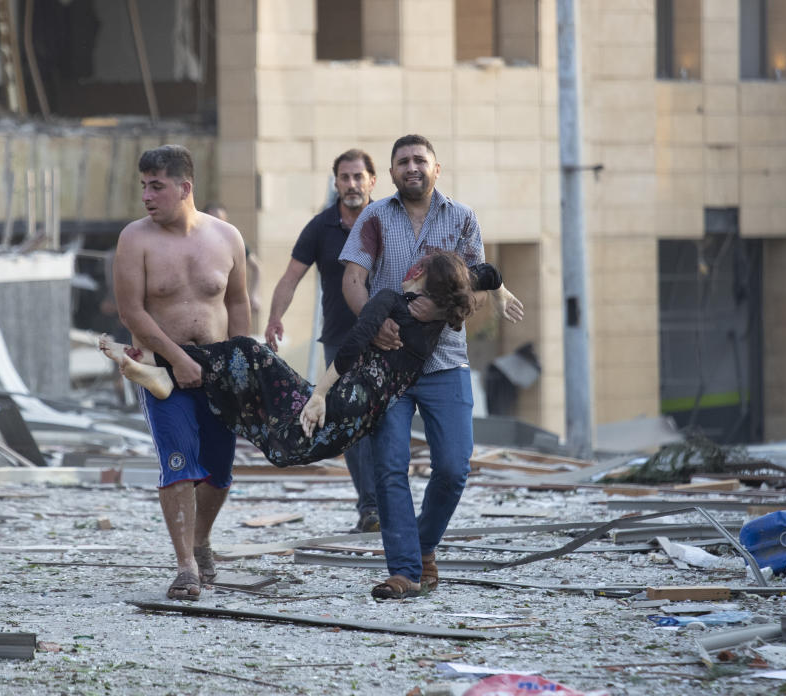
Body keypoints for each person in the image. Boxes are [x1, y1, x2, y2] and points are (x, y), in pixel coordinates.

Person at [100, 251, 518, 470]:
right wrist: (499, 293)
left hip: (344, 397)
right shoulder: (444, 310)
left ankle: (162, 368)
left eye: (418, 267)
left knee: (248, 355)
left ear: (424, 276)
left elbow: (353, 344)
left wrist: (318, 395)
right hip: (363, 414)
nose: (409, 269)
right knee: (252, 371)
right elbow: (490, 272)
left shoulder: (392, 300)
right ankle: (162, 371)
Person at [339, 134, 524, 600]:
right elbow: (353, 279)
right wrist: (374, 323)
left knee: (453, 467)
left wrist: (440, 312)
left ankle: (422, 545)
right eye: (402, 161)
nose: (412, 167)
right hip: (390, 365)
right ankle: (403, 571)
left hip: (446, 362)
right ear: (393, 171)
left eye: (420, 160)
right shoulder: (375, 216)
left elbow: (478, 286)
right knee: (390, 468)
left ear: (436, 168)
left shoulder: (462, 219)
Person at [113, 145, 251, 602]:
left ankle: (201, 538)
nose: (147, 196)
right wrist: (178, 358)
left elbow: (236, 303)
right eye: (144, 187)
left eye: (157, 186)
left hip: (217, 369)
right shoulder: (136, 238)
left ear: (184, 187)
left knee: (220, 470)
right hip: (162, 372)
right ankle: (186, 567)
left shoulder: (227, 236)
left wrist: (242, 364)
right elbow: (131, 310)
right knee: (178, 463)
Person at [264, 149, 380, 532]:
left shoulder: (388, 220)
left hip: (388, 338)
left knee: (385, 422)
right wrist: (274, 317)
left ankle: (389, 501)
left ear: (372, 181)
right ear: (336, 183)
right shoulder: (320, 227)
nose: (351, 184)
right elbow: (290, 277)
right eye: (345, 177)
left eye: (358, 177)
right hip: (340, 341)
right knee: (349, 424)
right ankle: (370, 508)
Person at [204, 202, 262, 316]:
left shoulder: (232, 241)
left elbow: (257, 266)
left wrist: (255, 294)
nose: (218, 226)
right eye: (214, 221)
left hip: (227, 302)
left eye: (222, 222)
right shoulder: (195, 241)